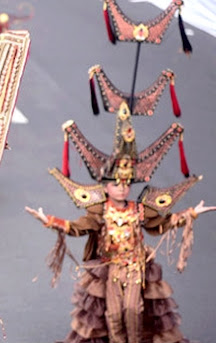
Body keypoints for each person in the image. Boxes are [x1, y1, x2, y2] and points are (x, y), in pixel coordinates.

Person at [25, 113, 216, 342]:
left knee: (133, 311)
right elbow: (77, 227)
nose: (122, 189)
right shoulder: (101, 212)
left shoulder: (140, 209)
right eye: (116, 184)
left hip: (136, 269)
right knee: (113, 314)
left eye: (126, 184)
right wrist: (48, 220)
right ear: (105, 188)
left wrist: (191, 213)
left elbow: (162, 224)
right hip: (112, 268)